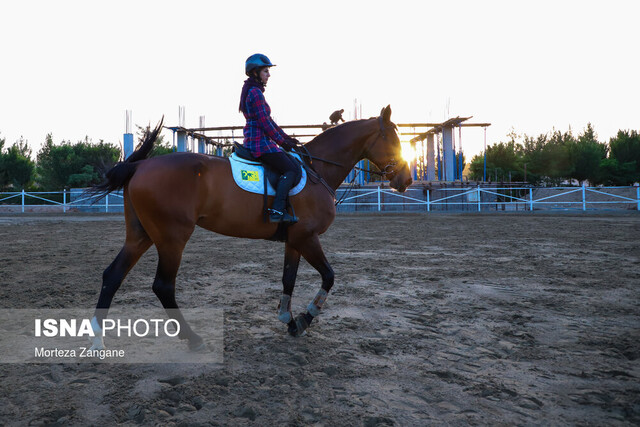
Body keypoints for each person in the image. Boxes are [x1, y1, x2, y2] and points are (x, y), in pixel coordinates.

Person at [239, 53, 300, 224]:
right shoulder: (255, 93)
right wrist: (283, 143)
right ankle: (277, 211)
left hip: (259, 141)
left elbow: (270, 122)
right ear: (255, 72)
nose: (269, 75)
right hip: (260, 144)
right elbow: (265, 124)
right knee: (292, 170)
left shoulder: (252, 91)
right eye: (266, 71)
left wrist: (288, 139)